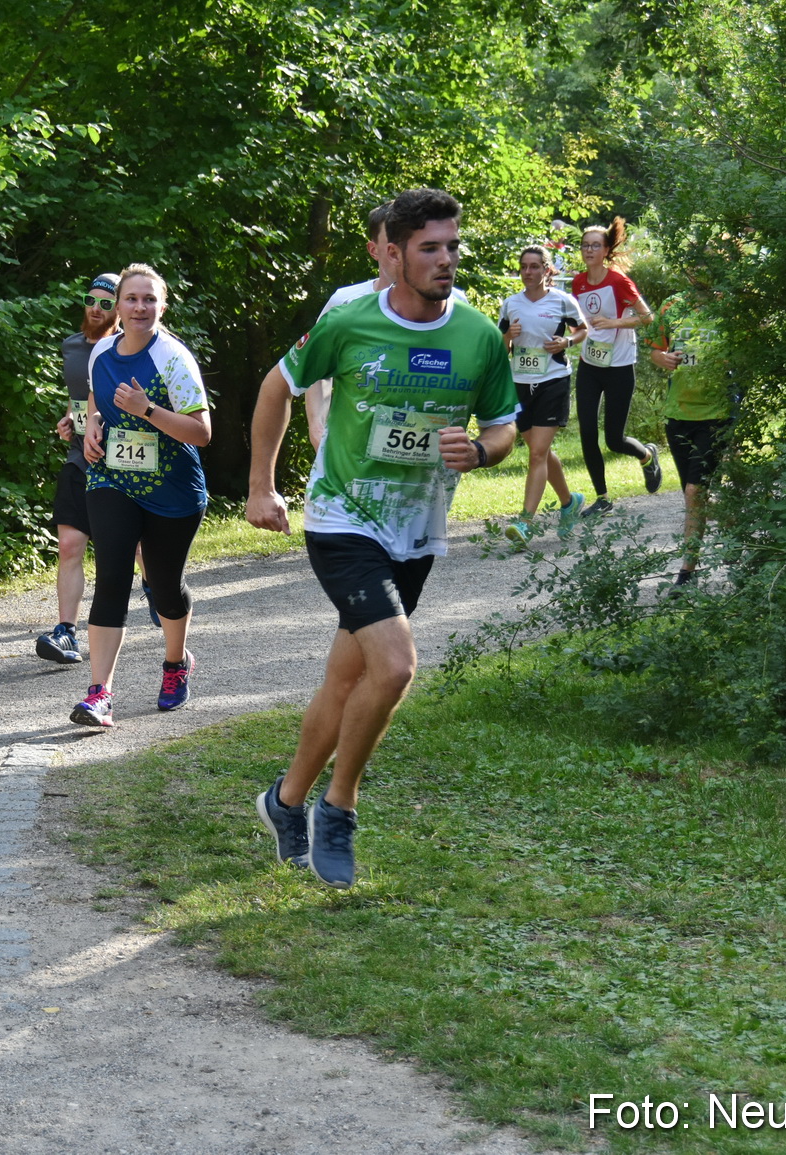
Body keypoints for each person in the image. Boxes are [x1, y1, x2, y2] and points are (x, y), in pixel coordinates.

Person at [246, 189, 518, 888]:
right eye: (431, 247)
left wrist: (482, 453)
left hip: (417, 532)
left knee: (349, 678)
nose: (447, 260)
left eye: (453, 246)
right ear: (392, 252)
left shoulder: (479, 336)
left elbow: (504, 424)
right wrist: (260, 485)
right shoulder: (349, 321)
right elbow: (275, 388)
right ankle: (340, 807)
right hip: (342, 519)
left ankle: (285, 800)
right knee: (394, 666)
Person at [71, 264, 213, 727]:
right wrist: (92, 424)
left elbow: (202, 432)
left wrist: (147, 409)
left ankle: (175, 665)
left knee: (166, 588)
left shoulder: (173, 358)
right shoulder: (102, 354)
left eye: (149, 299)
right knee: (112, 574)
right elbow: (95, 399)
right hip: (112, 478)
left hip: (172, 490)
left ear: (162, 306)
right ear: (117, 306)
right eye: (130, 299)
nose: (139, 307)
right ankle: (99, 694)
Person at [305, 202, 468, 450]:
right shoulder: (346, 302)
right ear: (375, 250)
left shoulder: (454, 302)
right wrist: (317, 429)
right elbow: (312, 370)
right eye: (395, 240)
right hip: (352, 447)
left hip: (425, 449)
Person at [36, 273, 121, 665]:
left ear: (119, 308)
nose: (96, 309)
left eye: (106, 303)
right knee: (70, 545)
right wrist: (69, 421)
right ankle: (66, 633)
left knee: (136, 548)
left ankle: (165, 600)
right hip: (79, 458)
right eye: (92, 300)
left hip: (123, 460)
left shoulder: (129, 346)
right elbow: (79, 400)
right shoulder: (71, 346)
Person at [643, 292, 734, 590]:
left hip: (716, 413)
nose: (699, 267)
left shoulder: (730, 305)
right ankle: (732, 542)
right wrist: (664, 359)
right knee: (695, 494)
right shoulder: (672, 304)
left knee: (696, 491)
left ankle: (687, 571)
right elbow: (655, 351)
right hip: (678, 414)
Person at [571, 218, 661, 516]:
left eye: (595, 245)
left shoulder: (619, 281)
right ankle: (603, 497)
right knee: (586, 430)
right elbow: (579, 323)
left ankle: (647, 455)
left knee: (614, 439)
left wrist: (615, 322)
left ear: (607, 249)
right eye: (585, 245)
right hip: (590, 363)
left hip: (620, 364)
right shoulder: (578, 282)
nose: (589, 250)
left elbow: (648, 317)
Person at [499, 244, 589, 542]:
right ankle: (569, 502)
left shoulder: (563, 301)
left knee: (537, 453)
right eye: (524, 266)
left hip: (553, 379)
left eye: (534, 266)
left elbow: (582, 330)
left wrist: (567, 343)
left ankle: (525, 522)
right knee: (541, 451)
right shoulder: (511, 304)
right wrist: (508, 338)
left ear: (547, 270)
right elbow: (502, 350)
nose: (528, 272)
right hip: (520, 383)